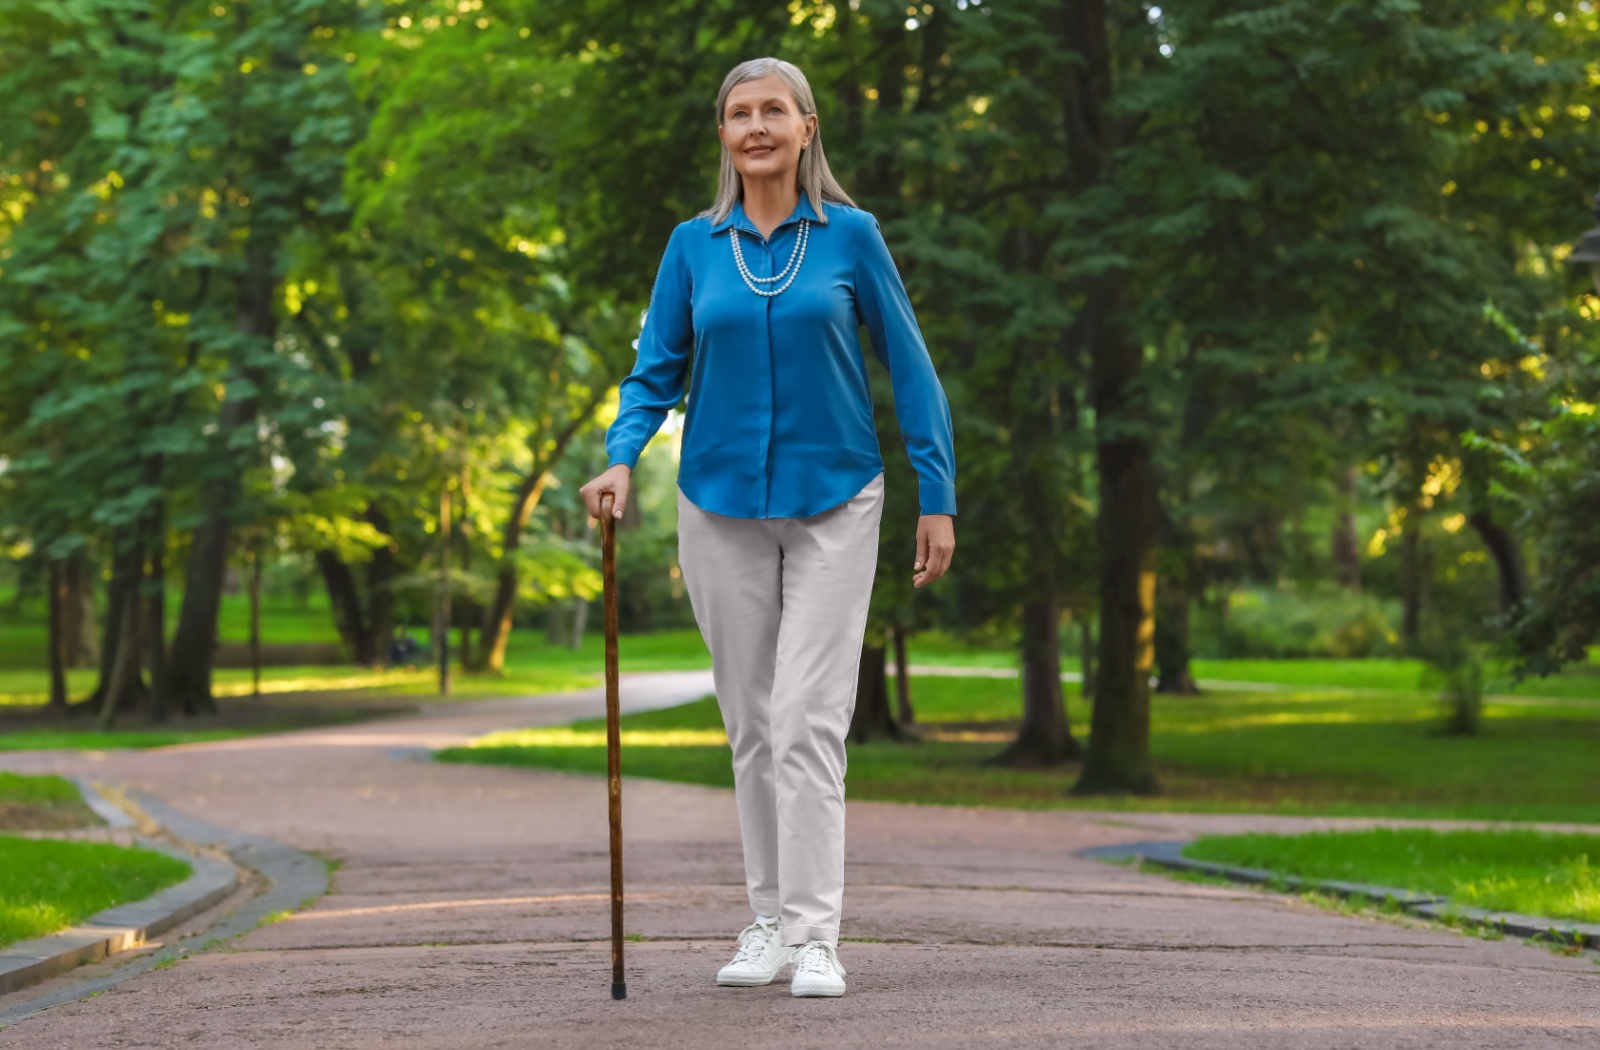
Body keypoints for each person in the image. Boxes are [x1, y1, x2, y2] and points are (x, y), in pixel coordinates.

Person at [579, 56, 956, 999]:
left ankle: (817, 935)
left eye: (774, 111)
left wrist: (936, 493)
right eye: (740, 113)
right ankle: (766, 925)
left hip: (837, 499)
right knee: (751, 725)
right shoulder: (691, 247)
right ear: (723, 134)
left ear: (806, 128)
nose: (757, 127)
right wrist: (624, 454)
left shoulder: (852, 237)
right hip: (717, 503)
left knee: (806, 723)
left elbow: (910, 369)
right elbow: (654, 372)